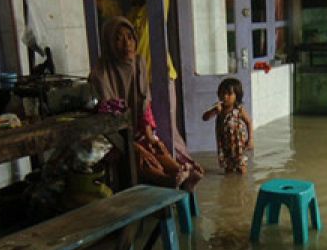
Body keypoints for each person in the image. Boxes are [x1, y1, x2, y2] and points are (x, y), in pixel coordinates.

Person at [89, 17, 203, 190]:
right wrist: (134, 146)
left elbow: (144, 105)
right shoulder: (100, 74)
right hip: (110, 137)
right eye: (118, 38)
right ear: (109, 43)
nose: (126, 43)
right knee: (139, 156)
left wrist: (150, 136)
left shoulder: (138, 64)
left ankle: (181, 173)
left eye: (130, 37)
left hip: (134, 132)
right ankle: (169, 180)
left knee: (155, 147)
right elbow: (107, 121)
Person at [202, 77, 253, 174]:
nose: (225, 96)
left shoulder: (239, 109)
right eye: (222, 93)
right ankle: (230, 185)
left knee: (241, 167)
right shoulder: (218, 109)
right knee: (228, 169)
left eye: (229, 94)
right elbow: (204, 118)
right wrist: (213, 111)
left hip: (238, 144)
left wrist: (250, 139)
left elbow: (249, 122)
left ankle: (242, 186)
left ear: (237, 96)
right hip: (224, 144)